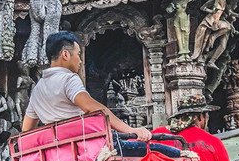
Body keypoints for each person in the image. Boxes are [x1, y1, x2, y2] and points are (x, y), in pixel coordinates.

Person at [21, 31, 151, 142]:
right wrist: (131, 130)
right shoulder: (68, 78)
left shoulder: (37, 90)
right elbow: (92, 108)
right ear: (65, 55)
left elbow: (26, 130)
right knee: (161, 148)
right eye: (78, 55)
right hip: (86, 147)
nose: (80, 61)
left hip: (57, 154)